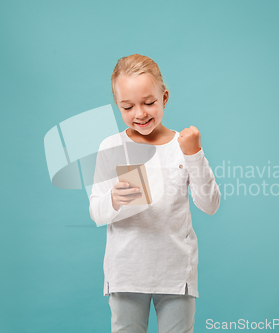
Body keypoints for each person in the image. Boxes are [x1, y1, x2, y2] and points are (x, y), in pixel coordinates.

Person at [89, 54, 220, 333]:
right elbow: (96, 212)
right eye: (127, 107)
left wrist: (194, 154)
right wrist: (113, 199)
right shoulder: (111, 146)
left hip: (176, 273)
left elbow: (209, 205)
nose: (140, 114)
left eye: (149, 103)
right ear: (118, 106)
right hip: (126, 272)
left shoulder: (182, 146)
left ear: (165, 97)